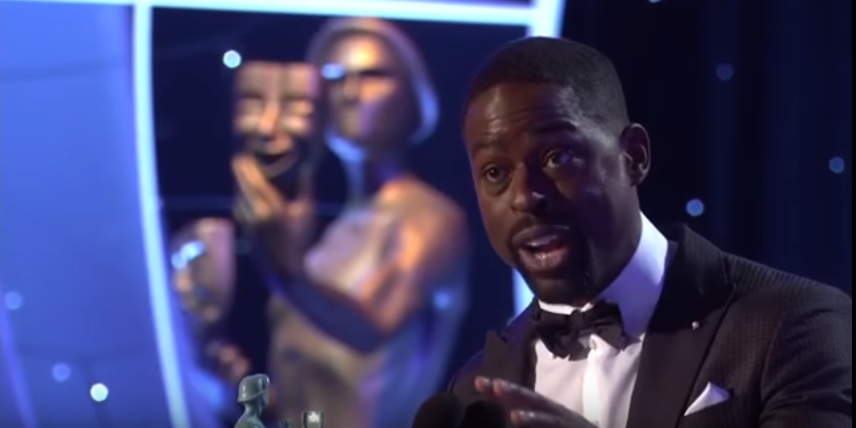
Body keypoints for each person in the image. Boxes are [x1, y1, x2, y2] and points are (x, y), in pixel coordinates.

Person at [447, 36, 852, 428]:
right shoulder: (473, 391)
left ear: (634, 157)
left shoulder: (794, 323)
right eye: (495, 172)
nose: (525, 197)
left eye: (558, 157)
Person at [233, 17, 469, 428]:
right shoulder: (334, 233)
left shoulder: (431, 218)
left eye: (372, 75)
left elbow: (370, 327)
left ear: (412, 94)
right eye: (333, 76)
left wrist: (286, 273)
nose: (349, 92)